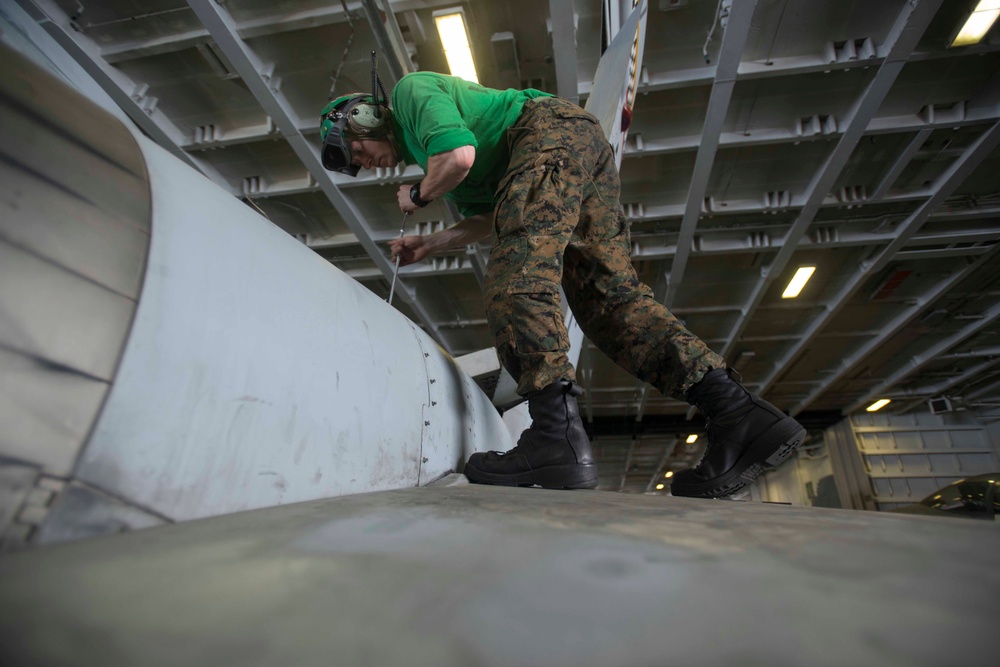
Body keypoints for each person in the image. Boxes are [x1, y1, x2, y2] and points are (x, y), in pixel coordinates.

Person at [319, 71, 806, 498]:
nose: (363, 163)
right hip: (572, 151)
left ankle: (556, 438)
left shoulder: (410, 94)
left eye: (356, 150)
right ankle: (738, 414)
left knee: (517, 279)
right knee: (609, 305)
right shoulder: (433, 157)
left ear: (363, 117)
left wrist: (421, 194)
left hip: (546, 131)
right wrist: (433, 242)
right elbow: (492, 216)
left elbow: (460, 156)